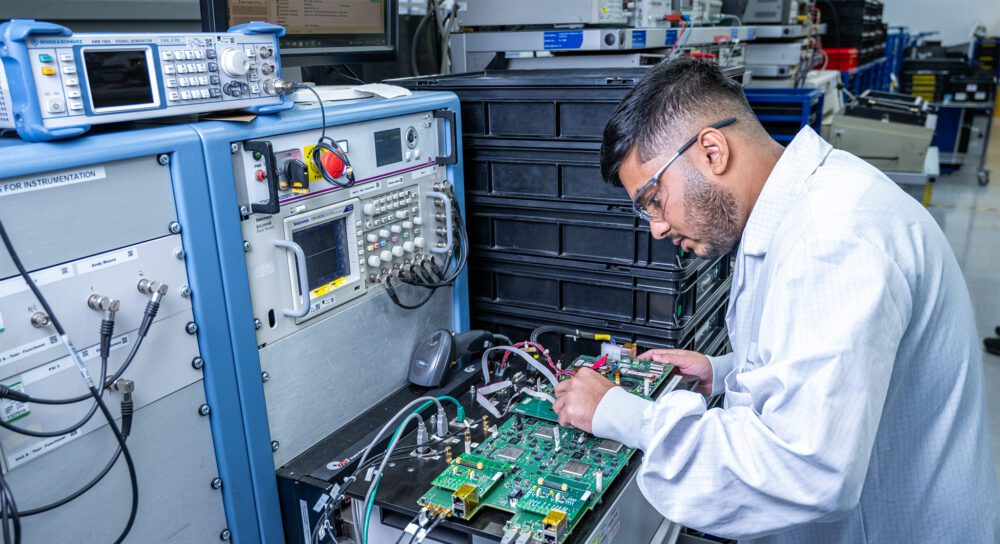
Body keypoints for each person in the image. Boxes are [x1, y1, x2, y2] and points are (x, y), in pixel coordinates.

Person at [551, 57, 1000, 543]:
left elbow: (803, 469)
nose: (657, 227)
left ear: (712, 150)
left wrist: (620, 413)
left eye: (654, 199)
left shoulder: (833, 241)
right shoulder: (801, 206)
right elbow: (825, 360)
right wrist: (724, 371)